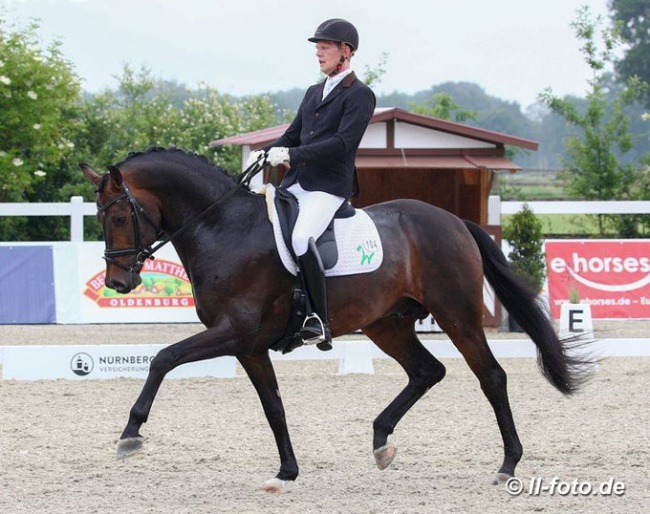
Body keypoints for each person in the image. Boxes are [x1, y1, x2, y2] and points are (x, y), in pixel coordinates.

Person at [247, 18, 376, 350]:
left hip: (328, 187)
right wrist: (262, 154)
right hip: (298, 183)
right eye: (317, 48)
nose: (318, 53)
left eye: (324, 47)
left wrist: (291, 154)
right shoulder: (313, 92)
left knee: (302, 237)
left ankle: (318, 319)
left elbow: (342, 144)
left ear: (345, 52)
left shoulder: (360, 95)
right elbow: (292, 134)